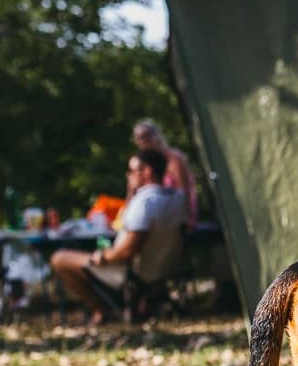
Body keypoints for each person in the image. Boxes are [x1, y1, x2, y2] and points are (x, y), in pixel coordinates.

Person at [50, 148, 187, 324]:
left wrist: (102, 256)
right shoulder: (177, 198)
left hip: (131, 273)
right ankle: (110, 309)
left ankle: (103, 310)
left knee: (59, 258)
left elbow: (127, 252)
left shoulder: (145, 203)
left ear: (147, 171)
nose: (128, 176)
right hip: (164, 270)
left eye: (131, 171)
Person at [132, 119, 198, 229]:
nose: (144, 140)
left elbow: (184, 193)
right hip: (156, 217)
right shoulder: (140, 164)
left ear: (157, 135)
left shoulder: (174, 159)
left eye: (148, 135)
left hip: (177, 217)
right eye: (140, 137)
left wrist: (187, 218)